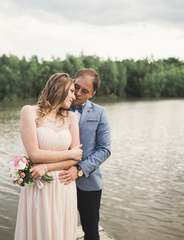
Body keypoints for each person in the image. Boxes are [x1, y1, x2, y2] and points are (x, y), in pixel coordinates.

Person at [14, 73, 83, 240]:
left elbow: (77, 158)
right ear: (58, 89)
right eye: (72, 91)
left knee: (62, 232)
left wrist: (47, 166)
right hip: (41, 185)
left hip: (64, 183)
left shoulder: (71, 118)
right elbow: (35, 154)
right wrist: (68, 154)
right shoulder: (29, 112)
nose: (75, 96)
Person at [59, 68, 111, 240]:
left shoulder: (100, 113)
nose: (78, 93)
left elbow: (104, 149)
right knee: (58, 228)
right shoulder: (57, 108)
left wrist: (79, 169)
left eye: (85, 91)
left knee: (91, 232)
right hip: (59, 180)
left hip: (89, 183)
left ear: (92, 94)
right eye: (76, 87)